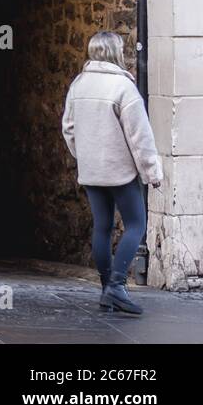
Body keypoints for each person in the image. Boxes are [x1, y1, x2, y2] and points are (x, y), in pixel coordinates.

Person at [61, 31, 163, 315]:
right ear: (116, 52)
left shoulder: (78, 84)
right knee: (136, 224)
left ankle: (107, 287)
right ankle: (117, 287)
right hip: (121, 171)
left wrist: (83, 155)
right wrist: (152, 172)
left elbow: (68, 128)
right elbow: (139, 137)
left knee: (102, 226)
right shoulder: (123, 88)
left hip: (92, 170)